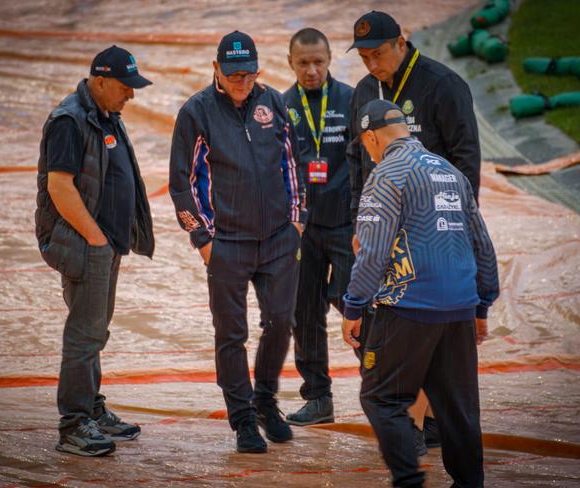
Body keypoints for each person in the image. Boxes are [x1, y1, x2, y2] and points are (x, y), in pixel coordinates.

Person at [342, 99, 499, 488]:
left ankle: (409, 480)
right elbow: (482, 244)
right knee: (459, 409)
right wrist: (482, 304)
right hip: (460, 308)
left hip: (409, 306)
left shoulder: (386, 175)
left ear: (371, 136)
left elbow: (373, 251)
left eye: (366, 146)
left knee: (380, 398)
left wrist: (353, 306)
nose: (369, 153)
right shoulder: (451, 172)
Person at [347, 10, 483, 451]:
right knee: (387, 325)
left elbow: (466, 163)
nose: (371, 65)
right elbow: (356, 164)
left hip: (435, 234)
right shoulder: (366, 92)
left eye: (378, 54)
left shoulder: (443, 86)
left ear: (402, 43)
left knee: (428, 321)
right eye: (363, 56)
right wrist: (358, 221)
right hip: (384, 228)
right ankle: (417, 417)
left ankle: (425, 424)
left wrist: (458, 228)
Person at [168, 31, 306, 454]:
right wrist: (203, 239)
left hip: (280, 240)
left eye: (248, 74)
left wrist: (298, 220)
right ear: (216, 70)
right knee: (232, 334)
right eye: (233, 75)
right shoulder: (196, 112)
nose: (241, 81)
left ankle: (266, 402)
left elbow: (293, 161)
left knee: (281, 322)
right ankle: (243, 418)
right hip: (227, 244)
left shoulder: (272, 102)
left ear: (259, 71)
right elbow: (180, 183)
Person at [35, 45, 155, 456]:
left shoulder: (105, 115)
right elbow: (59, 186)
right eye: (126, 86)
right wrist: (96, 238)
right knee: (84, 334)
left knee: (95, 330)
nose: (132, 95)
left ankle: (91, 408)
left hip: (105, 244)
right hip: (86, 244)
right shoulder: (69, 120)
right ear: (100, 81)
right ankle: (73, 424)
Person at [282, 28, 354, 426]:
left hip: (345, 224)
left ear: (330, 60)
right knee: (303, 312)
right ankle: (318, 398)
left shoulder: (350, 98)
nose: (312, 71)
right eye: (303, 63)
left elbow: (366, 158)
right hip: (302, 229)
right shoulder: (279, 104)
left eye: (319, 62)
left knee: (354, 304)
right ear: (289, 63)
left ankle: (386, 395)